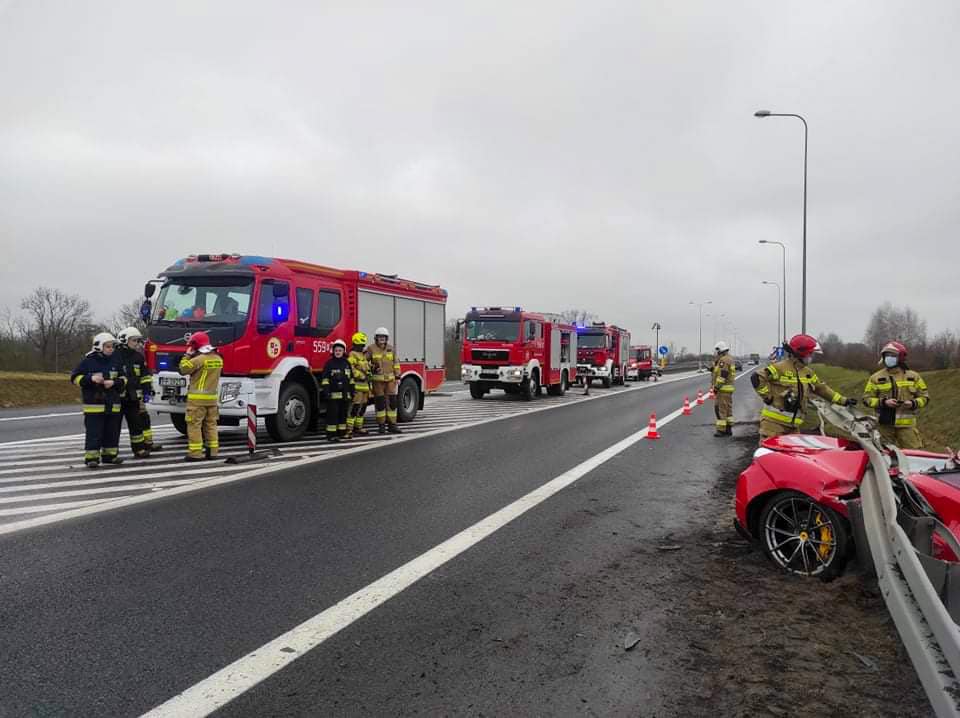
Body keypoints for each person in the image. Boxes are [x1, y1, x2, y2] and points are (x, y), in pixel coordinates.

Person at [751, 334, 857, 444]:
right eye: (810, 354)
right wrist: (768, 397)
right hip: (773, 425)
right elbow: (756, 378)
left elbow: (822, 389)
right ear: (801, 353)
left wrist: (844, 400)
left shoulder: (807, 373)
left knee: (793, 459)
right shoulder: (780, 367)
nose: (811, 357)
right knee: (770, 456)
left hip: (793, 427)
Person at [71, 332, 126, 468]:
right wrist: (90, 379)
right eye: (107, 346)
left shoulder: (116, 360)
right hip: (94, 405)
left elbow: (124, 379)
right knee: (94, 433)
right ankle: (92, 458)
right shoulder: (88, 361)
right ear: (98, 346)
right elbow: (74, 378)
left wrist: (114, 383)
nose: (111, 349)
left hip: (112, 404)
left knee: (112, 432)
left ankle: (110, 456)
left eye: (112, 346)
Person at [862, 341, 929, 449]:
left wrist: (912, 403)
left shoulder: (914, 376)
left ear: (901, 357)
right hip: (884, 426)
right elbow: (866, 399)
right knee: (884, 456)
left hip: (907, 427)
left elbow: (925, 397)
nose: (889, 358)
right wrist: (883, 402)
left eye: (892, 355)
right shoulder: (876, 377)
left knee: (913, 456)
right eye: (886, 355)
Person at [115, 327, 163, 458]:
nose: (137, 343)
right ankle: (111, 451)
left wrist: (147, 391)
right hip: (117, 397)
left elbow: (145, 376)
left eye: (137, 340)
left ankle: (140, 449)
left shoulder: (138, 357)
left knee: (137, 423)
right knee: (114, 426)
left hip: (134, 397)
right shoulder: (114, 356)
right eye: (134, 340)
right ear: (124, 340)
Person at [178, 331, 223, 461]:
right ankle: (213, 452)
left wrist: (187, 355)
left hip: (197, 400)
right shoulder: (218, 358)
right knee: (211, 425)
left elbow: (183, 369)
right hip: (212, 400)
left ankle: (195, 453)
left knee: (194, 425)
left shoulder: (199, 359)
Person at [366, 327, 402, 434]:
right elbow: (365, 362)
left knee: (392, 403)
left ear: (387, 338)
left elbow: (396, 363)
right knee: (380, 404)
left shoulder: (391, 349)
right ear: (376, 338)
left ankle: (392, 425)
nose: (382, 339)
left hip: (390, 381)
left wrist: (398, 376)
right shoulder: (371, 348)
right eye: (380, 337)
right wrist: (372, 367)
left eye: (384, 337)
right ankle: (381, 426)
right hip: (378, 382)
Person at [320, 339, 353, 442]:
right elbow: (325, 379)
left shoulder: (347, 363)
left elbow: (351, 379)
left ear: (344, 352)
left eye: (340, 350)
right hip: (333, 396)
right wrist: (326, 392)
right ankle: (331, 435)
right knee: (332, 416)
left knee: (343, 415)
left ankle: (342, 433)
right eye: (336, 350)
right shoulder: (329, 364)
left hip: (345, 395)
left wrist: (352, 391)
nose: (338, 352)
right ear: (333, 352)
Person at [346, 332, 371, 439]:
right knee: (354, 408)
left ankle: (358, 427)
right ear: (355, 344)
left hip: (365, 386)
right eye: (361, 345)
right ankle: (349, 429)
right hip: (357, 386)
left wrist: (371, 369)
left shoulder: (363, 355)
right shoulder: (352, 354)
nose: (362, 347)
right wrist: (360, 375)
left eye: (363, 345)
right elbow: (350, 368)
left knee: (362, 408)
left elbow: (366, 368)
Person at [711, 340, 736, 437]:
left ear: (720, 350)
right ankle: (729, 429)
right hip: (728, 389)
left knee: (720, 409)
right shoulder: (729, 359)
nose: (716, 354)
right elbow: (723, 371)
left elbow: (723, 374)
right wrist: (713, 369)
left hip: (722, 389)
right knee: (728, 410)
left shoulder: (723, 360)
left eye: (717, 352)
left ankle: (721, 430)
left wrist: (717, 387)